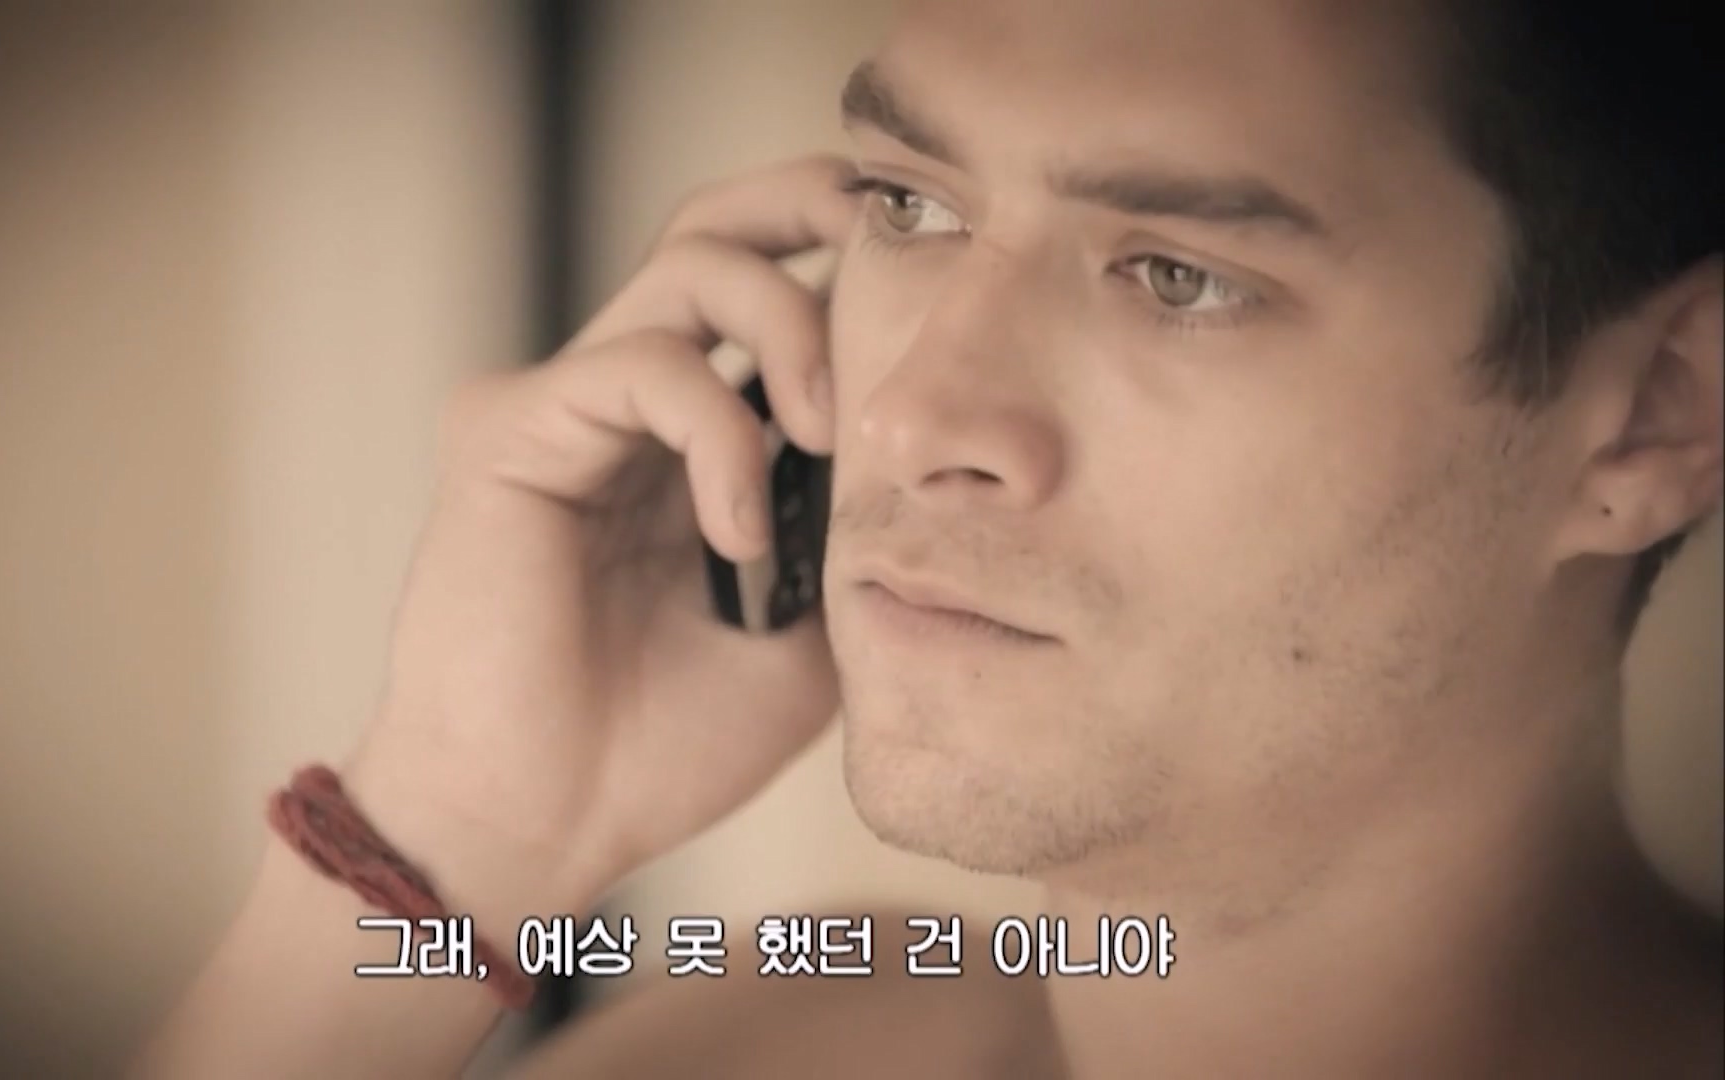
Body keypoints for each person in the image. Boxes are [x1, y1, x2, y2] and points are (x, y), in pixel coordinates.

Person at [134, 0, 1722, 1075]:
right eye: (911, 206)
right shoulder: (816, 1020)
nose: (905, 417)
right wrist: (460, 827)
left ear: (1656, 414)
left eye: (1178, 277)